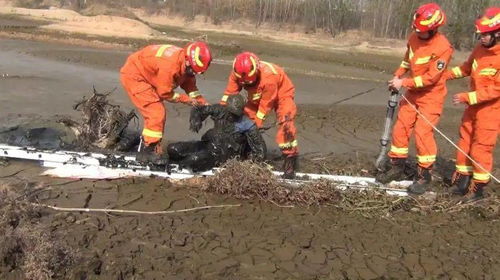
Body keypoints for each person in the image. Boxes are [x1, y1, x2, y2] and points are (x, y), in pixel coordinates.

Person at [376, 3, 453, 195]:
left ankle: (423, 176)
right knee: (401, 128)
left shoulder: (443, 48)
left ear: (434, 29)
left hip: (431, 96)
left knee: (422, 133)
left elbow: (430, 78)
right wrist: (398, 75)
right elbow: (406, 60)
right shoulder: (414, 38)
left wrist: (404, 83)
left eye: (423, 31)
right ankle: (397, 166)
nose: (418, 34)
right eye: (416, 30)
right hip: (412, 93)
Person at [120, 42, 212, 164]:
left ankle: (152, 145)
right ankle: (147, 151)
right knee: (156, 113)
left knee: (156, 114)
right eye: (193, 71)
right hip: (135, 76)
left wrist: (201, 101)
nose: (193, 74)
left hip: (149, 75)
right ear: (189, 62)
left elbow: (189, 83)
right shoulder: (169, 66)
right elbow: (165, 93)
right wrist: (187, 100)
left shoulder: (184, 61)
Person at [445, 7, 500, 201]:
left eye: (486, 35)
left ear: (497, 33)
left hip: (491, 110)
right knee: (464, 142)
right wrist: (445, 75)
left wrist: (468, 97)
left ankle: (478, 188)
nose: (482, 38)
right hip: (473, 108)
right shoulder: (479, 50)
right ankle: (462, 180)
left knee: (480, 148)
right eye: (480, 34)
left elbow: (496, 90)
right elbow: (466, 69)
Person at [219, 52, 298, 178]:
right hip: (255, 96)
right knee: (243, 120)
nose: (247, 84)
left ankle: (290, 162)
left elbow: (266, 104)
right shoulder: (237, 73)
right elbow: (229, 93)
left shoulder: (269, 77)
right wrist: (222, 113)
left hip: (282, 94)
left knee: (286, 124)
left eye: (250, 82)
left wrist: (257, 124)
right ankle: (244, 153)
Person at [167, 94, 266, 172]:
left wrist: (252, 165)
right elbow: (198, 109)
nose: (232, 116)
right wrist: (196, 119)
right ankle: (177, 163)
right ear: (227, 107)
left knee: (194, 159)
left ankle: (180, 165)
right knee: (173, 149)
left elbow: (260, 149)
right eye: (231, 112)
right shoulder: (219, 110)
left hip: (222, 156)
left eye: (236, 114)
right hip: (208, 144)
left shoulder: (247, 124)